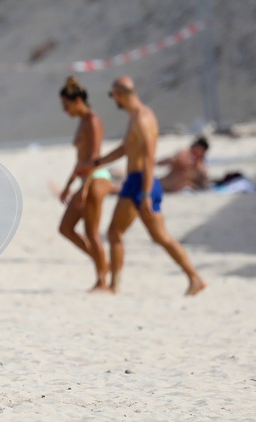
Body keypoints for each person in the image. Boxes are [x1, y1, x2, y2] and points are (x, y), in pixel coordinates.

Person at [78, 76, 206, 296]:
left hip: (141, 183)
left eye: (113, 96)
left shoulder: (143, 119)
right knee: (149, 235)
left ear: (120, 95)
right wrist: (97, 163)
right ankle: (194, 279)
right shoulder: (135, 116)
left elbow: (148, 158)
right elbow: (125, 148)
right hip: (136, 182)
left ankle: (115, 286)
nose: (113, 100)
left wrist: (146, 193)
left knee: (126, 233)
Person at [57, 76, 111, 291]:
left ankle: (102, 280)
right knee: (65, 228)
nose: (64, 111)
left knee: (91, 232)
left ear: (78, 101)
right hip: (85, 178)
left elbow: (95, 157)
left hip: (97, 177)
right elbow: (81, 159)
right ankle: (103, 264)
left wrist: (85, 188)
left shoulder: (92, 120)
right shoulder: (82, 121)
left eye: (66, 106)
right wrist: (68, 185)